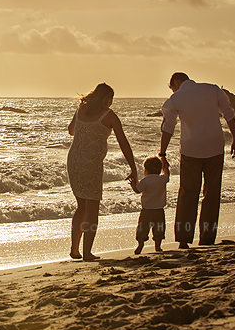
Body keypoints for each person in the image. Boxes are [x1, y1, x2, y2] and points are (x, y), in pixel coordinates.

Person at [160, 72, 235, 250]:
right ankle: (207, 238)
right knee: (211, 195)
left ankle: (183, 238)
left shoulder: (176, 98)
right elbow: (228, 113)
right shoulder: (212, 90)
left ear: (177, 82)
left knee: (188, 194)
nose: (172, 91)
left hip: (191, 150)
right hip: (214, 147)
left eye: (172, 87)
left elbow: (167, 127)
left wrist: (162, 153)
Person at [66, 81, 137, 259]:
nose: (111, 103)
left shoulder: (81, 109)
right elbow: (123, 142)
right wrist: (133, 167)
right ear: (105, 99)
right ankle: (87, 252)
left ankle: (75, 250)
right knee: (92, 209)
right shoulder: (109, 115)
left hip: (74, 160)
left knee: (81, 206)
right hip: (91, 164)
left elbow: (71, 131)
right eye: (110, 99)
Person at [129, 154, 170, 254]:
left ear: (146, 170)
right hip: (159, 209)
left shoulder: (146, 180)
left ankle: (141, 244)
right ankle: (158, 246)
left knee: (143, 228)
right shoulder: (162, 179)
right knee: (159, 228)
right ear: (160, 169)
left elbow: (138, 190)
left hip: (147, 210)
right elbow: (167, 174)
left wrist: (133, 184)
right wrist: (165, 166)